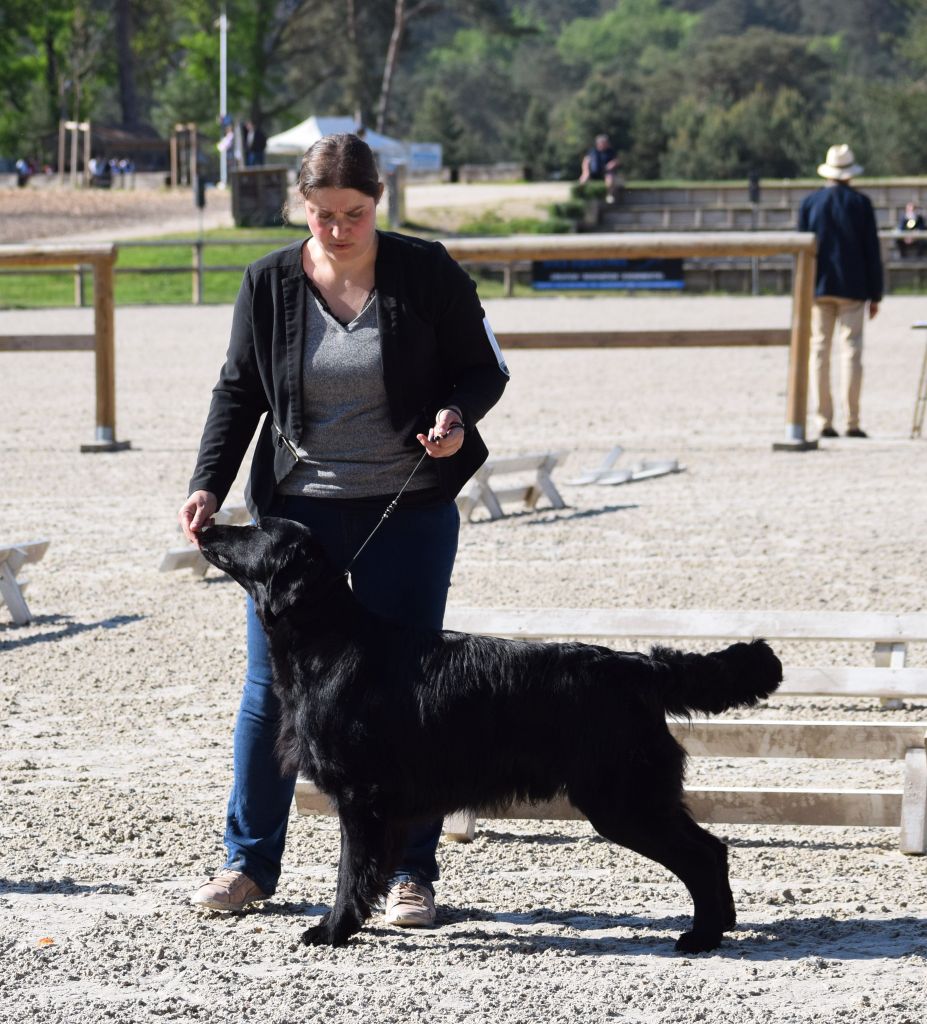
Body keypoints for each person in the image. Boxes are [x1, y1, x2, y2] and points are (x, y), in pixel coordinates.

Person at [179, 133, 509, 927]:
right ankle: (249, 862)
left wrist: (455, 419)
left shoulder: (425, 270)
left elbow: (483, 368)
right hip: (298, 516)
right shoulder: (266, 283)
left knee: (414, 692)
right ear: (303, 206)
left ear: (377, 203)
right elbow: (237, 394)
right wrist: (206, 484)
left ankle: (408, 875)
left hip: (406, 503)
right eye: (322, 215)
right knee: (272, 691)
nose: (336, 230)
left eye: (352, 214)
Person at [797, 144, 883, 439]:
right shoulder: (861, 204)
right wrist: (876, 294)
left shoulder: (810, 203)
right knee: (852, 351)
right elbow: (872, 251)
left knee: (819, 351)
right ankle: (852, 420)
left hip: (818, 287)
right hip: (854, 287)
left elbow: (802, 252)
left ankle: (823, 420)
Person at [579, 134, 622, 203]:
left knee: (610, 178)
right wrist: (585, 171)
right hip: (593, 172)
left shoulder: (610, 151)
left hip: (606, 172)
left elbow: (616, 161)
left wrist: (612, 164)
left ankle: (609, 195)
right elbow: (585, 162)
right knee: (583, 179)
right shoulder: (592, 151)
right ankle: (580, 195)